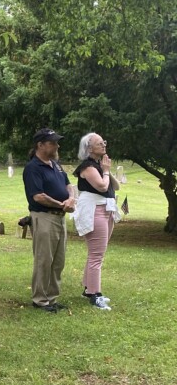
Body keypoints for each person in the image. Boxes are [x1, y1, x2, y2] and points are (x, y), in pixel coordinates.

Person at [22, 127, 76, 312]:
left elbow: (69, 185)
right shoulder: (33, 168)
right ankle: (40, 300)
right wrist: (62, 205)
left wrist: (71, 198)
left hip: (60, 218)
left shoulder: (56, 165)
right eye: (53, 142)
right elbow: (38, 196)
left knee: (58, 261)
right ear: (40, 145)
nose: (57, 145)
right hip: (44, 218)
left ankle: (51, 298)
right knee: (44, 260)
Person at [73, 132, 121, 309]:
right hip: (95, 211)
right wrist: (106, 172)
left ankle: (88, 289)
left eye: (104, 142)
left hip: (106, 209)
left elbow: (115, 186)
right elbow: (101, 185)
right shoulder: (87, 167)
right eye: (100, 143)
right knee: (96, 255)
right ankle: (95, 294)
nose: (104, 145)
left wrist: (106, 170)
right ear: (89, 148)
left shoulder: (99, 165)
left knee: (96, 253)